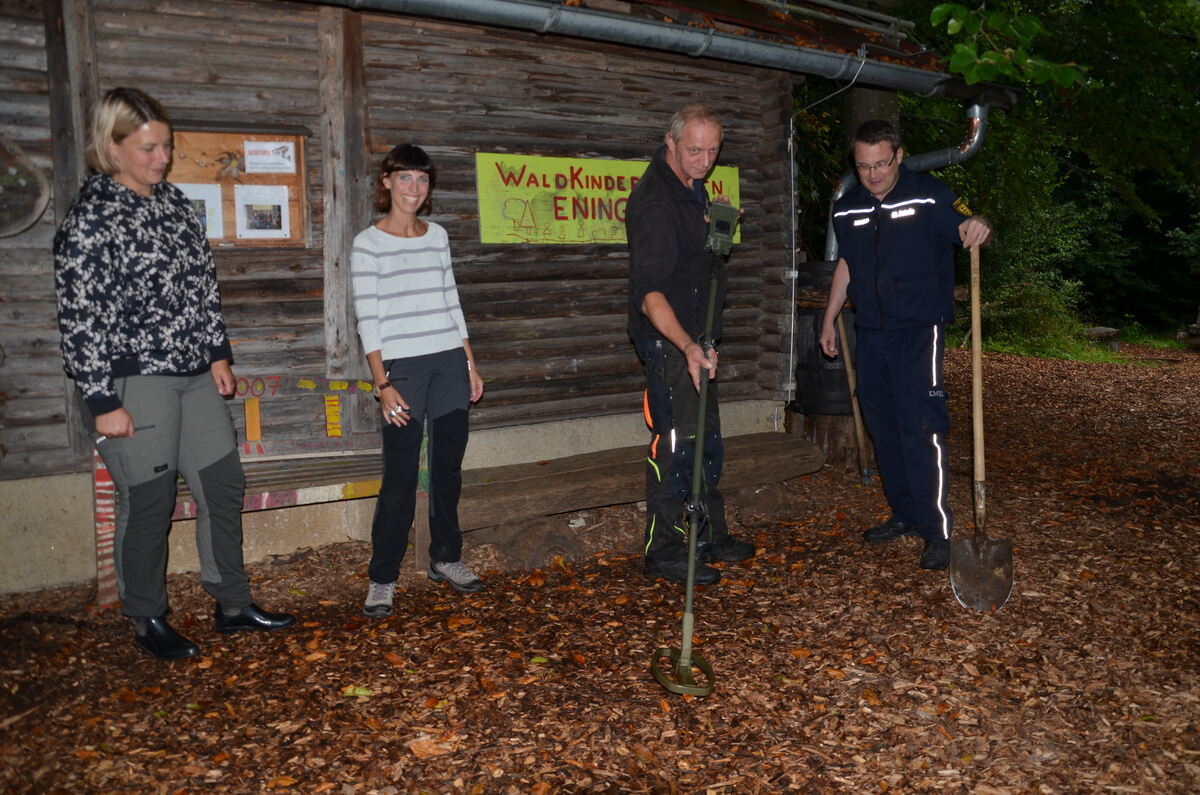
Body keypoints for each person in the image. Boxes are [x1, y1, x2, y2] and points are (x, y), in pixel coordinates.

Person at [53, 87, 295, 661]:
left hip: (193, 374)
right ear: (111, 147)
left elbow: (202, 286)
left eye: (166, 146)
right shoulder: (91, 219)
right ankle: (146, 617)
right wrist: (99, 399)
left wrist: (218, 353)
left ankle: (232, 605)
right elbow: (78, 317)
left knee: (223, 485)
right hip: (134, 382)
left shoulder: (176, 205)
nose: (161, 159)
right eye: (148, 149)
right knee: (151, 501)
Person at [820, 119, 993, 570]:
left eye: (881, 164)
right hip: (871, 332)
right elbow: (847, 265)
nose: (873, 175)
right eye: (864, 167)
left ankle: (936, 530)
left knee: (921, 428)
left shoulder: (929, 193)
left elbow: (967, 224)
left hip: (919, 329)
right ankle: (904, 514)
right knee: (884, 427)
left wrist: (977, 225)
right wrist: (829, 316)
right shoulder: (848, 207)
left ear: (898, 156)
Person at [352, 143, 486, 617]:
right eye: (404, 177)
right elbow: (368, 319)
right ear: (386, 182)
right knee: (401, 475)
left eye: (422, 179)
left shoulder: (438, 236)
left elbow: (452, 302)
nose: (413, 187)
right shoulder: (368, 243)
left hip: (449, 362)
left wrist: (470, 363)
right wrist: (383, 383)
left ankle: (446, 558)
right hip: (403, 371)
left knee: (448, 468)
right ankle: (382, 577)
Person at [625, 102, 756, 586]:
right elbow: (650, 295)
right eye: (694, 150)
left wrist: (718, 228)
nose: (704, 161)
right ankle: (664, 550)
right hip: (670, 342)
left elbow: (694, 262)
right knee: (676, 442)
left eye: (713, 150)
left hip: (698, 341)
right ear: (670, 142)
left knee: (706, 439)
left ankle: (706, 532)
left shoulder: (692, 189)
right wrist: (685, 346)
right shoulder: (656, 202)